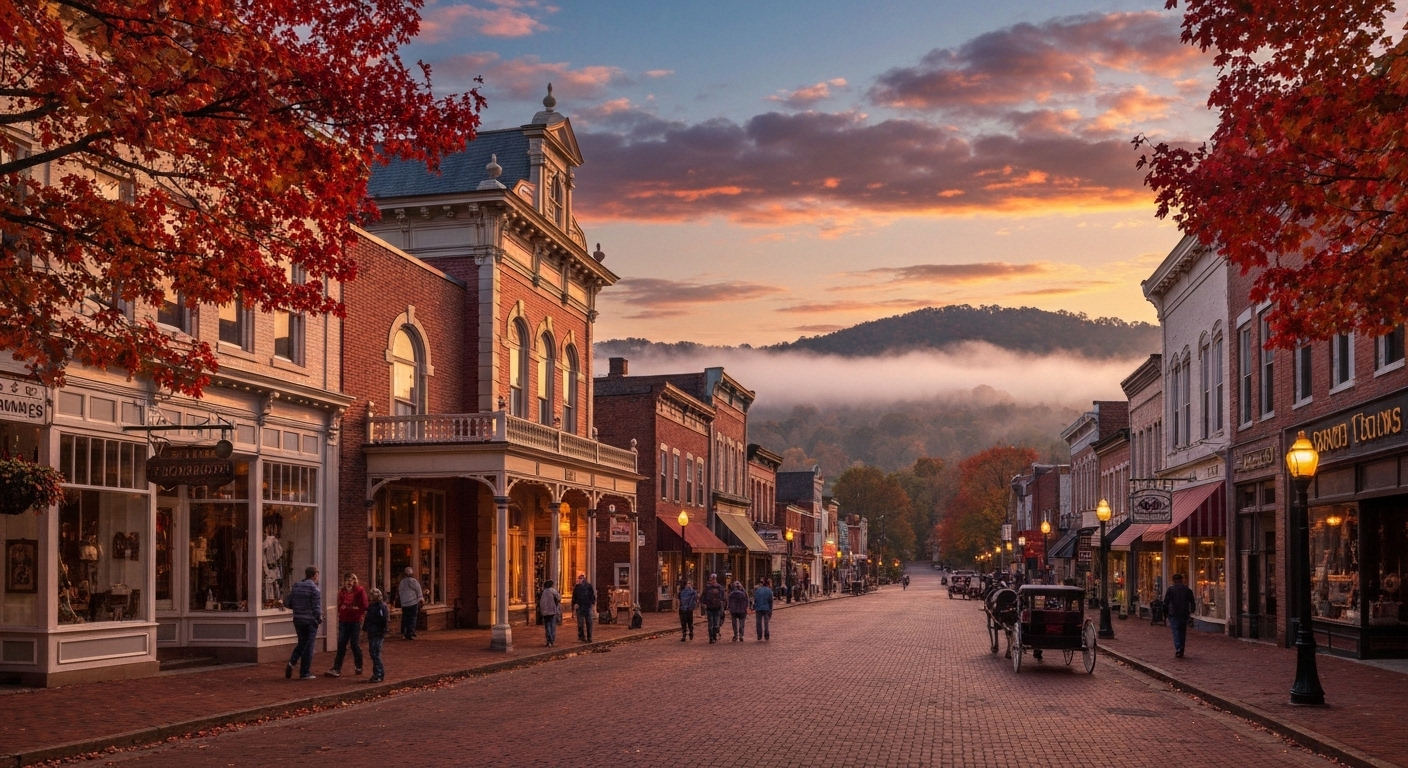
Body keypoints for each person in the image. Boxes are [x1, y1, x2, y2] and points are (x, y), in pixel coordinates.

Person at [326, 572, 368, 677]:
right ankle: (336, 668)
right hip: (344, 621)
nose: (349, 582)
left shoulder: (359, 591)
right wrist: (341, 612)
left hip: (355, 621)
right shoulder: (341, 592)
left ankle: (359, 666)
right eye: (347, 580)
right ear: (344, 582)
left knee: (354, 644)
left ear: (355, 581)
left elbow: (364, 606)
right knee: (341, 644)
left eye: (352, 580)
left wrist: (354, 609)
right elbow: (339, 604)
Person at [283, 565, 321, 680]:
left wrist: (297, 608)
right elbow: (316, 608)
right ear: (315, 575)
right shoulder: (314, 589)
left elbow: (287, 602)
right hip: (309, 621)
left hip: (298, 619)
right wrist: (318, 619)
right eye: (317, 575)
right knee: (309, 645)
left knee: (302, 643)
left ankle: (292, 662)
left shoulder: (297, 586)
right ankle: (305, 672)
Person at [1163, 572, 1196, 658]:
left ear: (1174, 581)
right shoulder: (1187, 590)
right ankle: (1182, 647)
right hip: (1184, 613)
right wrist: (1192, 610)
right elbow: (1192, 601)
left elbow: (1166, 602)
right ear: (1181, 580)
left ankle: (1178, 648)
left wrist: (1165, 613)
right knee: (1182, 631)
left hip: (1173, 613)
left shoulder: (1170, 589)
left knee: (1176, 631)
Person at [363, 588, 389, 683]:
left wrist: (382, 631)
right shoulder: (372, 606)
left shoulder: (380, 607)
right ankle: (376, 673)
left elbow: (383, 620)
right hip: (372, 631)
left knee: (375, 653)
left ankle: (379, 673)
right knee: (373, 653)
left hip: (377, 633)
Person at [396, 567, 423, 640]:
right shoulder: (414, 581)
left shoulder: (402, 582)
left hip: (404, 603)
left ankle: (404, 631)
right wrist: (421, 599)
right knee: (412, 618)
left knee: (405, 617)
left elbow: (400, 592)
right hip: (413, 602)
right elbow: (419, 591)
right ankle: (410, 632)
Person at [701, 573, 726, 644]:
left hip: (712, 607)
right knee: (714, 624)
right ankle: (713, 637)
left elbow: (703, 598)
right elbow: (723, 598)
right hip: (714, 608)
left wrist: (704, 604)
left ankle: (712, 638)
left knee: (712, 624)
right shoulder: (719, 587)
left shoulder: (708, 588)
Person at [571, 573, 596, 643]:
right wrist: (573, 606)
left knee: (588, 623)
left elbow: (592, 596)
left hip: (586, 606)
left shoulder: (588, 586)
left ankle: (588, 637)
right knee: (581, 623)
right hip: (581, 607)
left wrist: (591, 603)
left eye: (580, 579)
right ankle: (582, 637)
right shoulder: (577, 587)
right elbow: (574, 597)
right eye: (579, 579)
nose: (579, 580)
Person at [539, 579, 562, 647]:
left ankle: (548, 640)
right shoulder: (553, 591)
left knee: (547, 626)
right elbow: (559, 597)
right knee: (552, 626)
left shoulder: (544, 592)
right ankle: (551, 640)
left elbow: (541, 603)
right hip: (552, 611)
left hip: (545, 612)